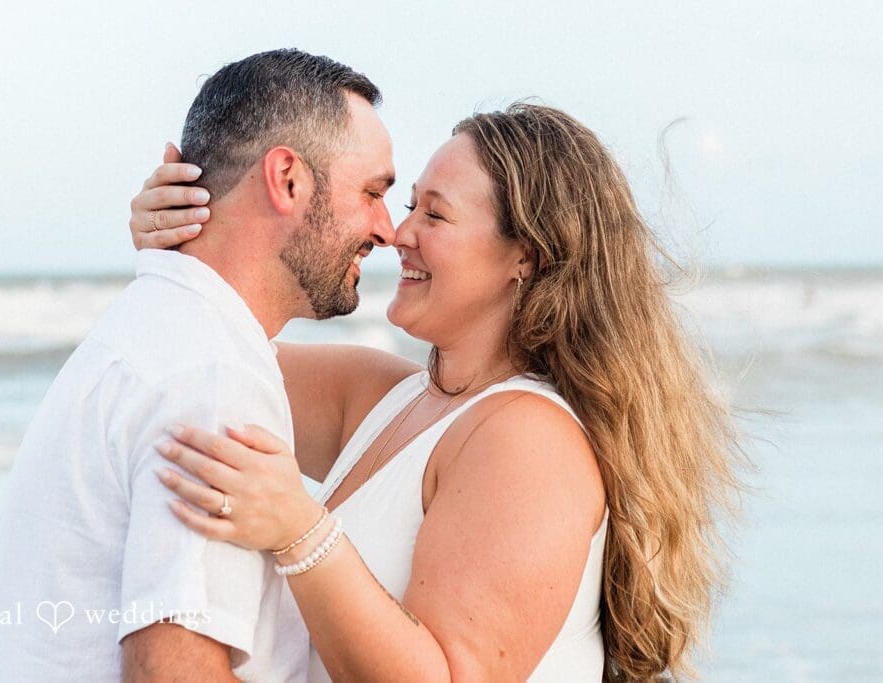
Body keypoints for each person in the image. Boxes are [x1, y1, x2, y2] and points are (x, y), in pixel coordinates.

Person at [129, 103, 745, 681]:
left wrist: (297, 528)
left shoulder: (530, 442)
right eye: (410, 205)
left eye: (435, 214)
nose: (399, 234)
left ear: (525, 257)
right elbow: (201, 357)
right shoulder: (388, 396)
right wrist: (186, 244)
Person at [0, 48, 396, 682]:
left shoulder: (156, 333)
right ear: (287, 179)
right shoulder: (212, 376)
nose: (388, 230)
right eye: (373, 192)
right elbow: (172, 673)